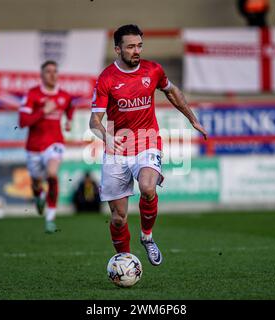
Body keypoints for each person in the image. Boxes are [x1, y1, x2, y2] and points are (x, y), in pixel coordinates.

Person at [89, 24, 207, 266]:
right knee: (119, 218)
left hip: (147, 141)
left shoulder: (153, 70)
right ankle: (124, 260)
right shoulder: (107, 78)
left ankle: (147, 237)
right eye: (131, 46)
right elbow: (94, 121)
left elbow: (172, 92)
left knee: (147, 187)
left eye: (139, 46)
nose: (136, 51)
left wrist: (192, 118)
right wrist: (106, 137)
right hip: (117, 149)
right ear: (117, 49)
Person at [19, 60, 74, 233]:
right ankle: (39, 196)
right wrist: (43, 111)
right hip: (34, 147)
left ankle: (50, 219)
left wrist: (69, 120)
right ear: (42, 75)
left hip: (55, 142)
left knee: (52, 174)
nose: (52, 74)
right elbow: (22, 122)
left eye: (55, 71)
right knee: (36, 183)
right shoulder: (32, 95)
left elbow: (70, 106)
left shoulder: (64, 95)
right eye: (48, 71)